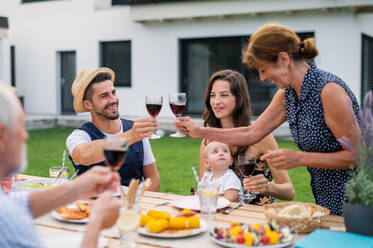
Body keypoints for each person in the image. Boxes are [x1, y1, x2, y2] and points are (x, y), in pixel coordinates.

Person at [177, 23, 361, 216]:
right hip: (324, 194)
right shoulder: (286, 95)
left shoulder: (328, 91)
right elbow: (252, 133)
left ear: (284, 59)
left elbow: (359, 155)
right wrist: (201, 132)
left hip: (357, 196)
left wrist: (300, 158)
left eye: (263, 69)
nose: (262, 78)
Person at [0, 83, 121, 248]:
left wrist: (77, 188)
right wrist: (96, 222)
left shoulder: (7, 207)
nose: (25, 136)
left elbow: (18, 204)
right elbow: (10, 213)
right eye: (21, 127)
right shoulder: (9, 224)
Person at [199, 70, 294, 205]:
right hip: (225, 218)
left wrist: (268, 187)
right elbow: (204, 186)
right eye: (212, 95)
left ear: (239, 98)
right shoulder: (208, 142)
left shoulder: (261, 137)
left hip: (259, 219)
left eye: (224, 95)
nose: (216, 102)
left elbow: (289, 192)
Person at [66, 67, 160, 191]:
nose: (113, 100)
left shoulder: (135, 131)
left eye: (113, 92)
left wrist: (131, 202)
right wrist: (130, 136)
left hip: (133, 206)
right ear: (88, 104)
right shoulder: (79, 136)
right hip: (94, 208)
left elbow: (153, 180)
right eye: (104, 96)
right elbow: (83, 155)